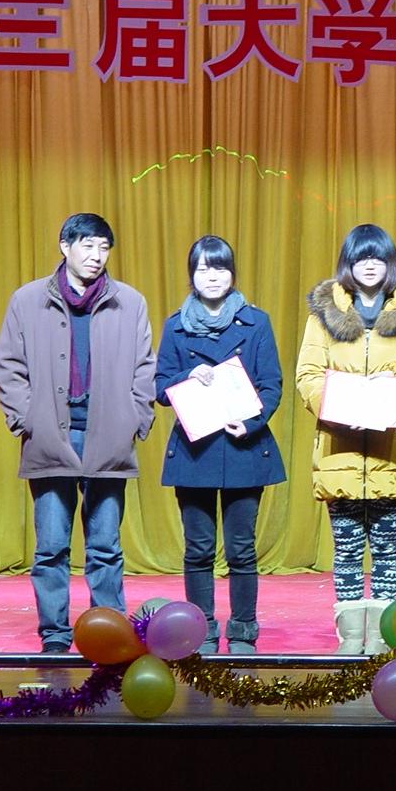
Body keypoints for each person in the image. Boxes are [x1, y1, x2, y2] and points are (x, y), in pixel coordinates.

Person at [0, 213, 155, 653]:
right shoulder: (28, 300)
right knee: (51, 547)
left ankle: (109, 634)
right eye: (88, 245)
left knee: (105, 547)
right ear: (65, 246)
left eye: (104, 247)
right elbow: (9, 365)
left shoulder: (129, 302)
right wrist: (26, 419)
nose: (97, 255)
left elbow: (145, 368)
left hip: (109, 438)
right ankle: (54, 634)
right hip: (50, 437)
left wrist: (136, 419)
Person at [295, 224, 396, 654]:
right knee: (344, 550)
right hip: (338, 450)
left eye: (378, 257)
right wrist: (338, 405)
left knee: (387, 548)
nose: (370, 265)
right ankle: (350, 637)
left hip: (390, 453)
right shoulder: (323, 317)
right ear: (348, 263)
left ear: (390, 262)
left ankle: (382, 635)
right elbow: (307, 375)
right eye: (361, 257)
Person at [154, 236, 285, 654]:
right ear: (192, 275)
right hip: (195, 452)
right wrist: (187, 377)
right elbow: (159, 386)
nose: (212, 276)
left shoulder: (256, 322)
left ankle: (243, 630)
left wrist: (250, 422)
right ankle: (201, 629)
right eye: (203, 269)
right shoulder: (175, 325)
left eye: (220, 268)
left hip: (243, 448)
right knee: (198, 548)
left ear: (232, 273)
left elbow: (271, 383)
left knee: (242, 548)